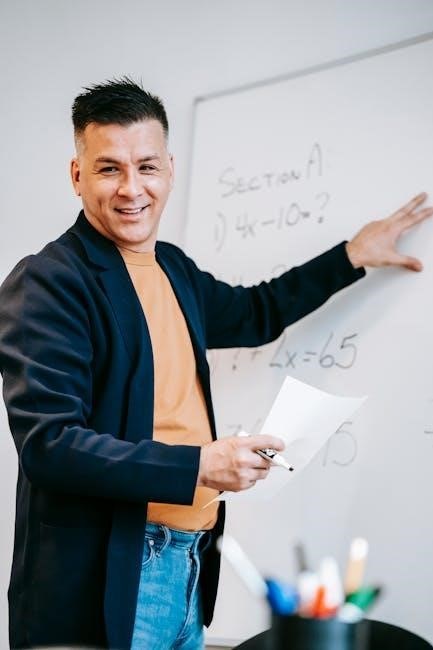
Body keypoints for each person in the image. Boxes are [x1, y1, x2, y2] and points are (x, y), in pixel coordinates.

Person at [0, 77, 431, 650]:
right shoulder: (48, 282)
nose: (132, 189)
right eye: (109, 169)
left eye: (147, 167)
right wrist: (199, 465)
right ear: (77, 175)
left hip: (189, 566)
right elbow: (50, 445)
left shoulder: (174, 269)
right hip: (112, 580)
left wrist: (351, 256)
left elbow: (257, 312)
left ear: (170, 170)